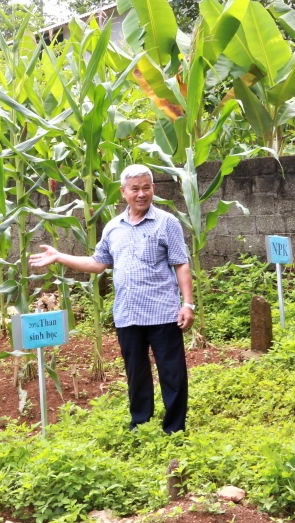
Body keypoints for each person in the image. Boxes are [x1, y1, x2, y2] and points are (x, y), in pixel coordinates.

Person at [29, 163, 194, 433]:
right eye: (135, 189)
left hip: (163, 312)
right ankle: (140, 424)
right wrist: (59, 257)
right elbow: (98, 263)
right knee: (136, 374)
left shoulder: (167, 223)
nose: (141, 194)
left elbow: (181, 265)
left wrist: (187, 304)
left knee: (172, 373)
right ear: (123, 192)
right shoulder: (114, 228)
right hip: (127, 314)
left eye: (146, 187)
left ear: (153, 188)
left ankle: (174, 429)